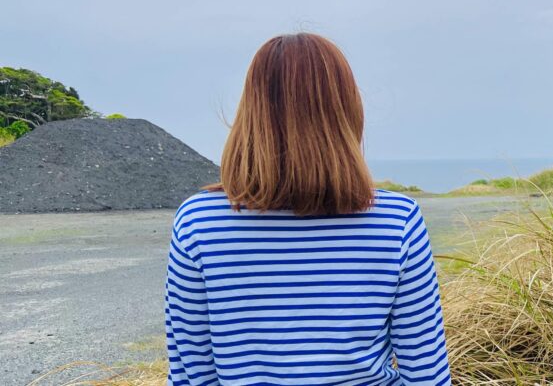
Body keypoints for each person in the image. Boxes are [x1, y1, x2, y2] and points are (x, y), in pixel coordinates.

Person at [163, 33, 451, 385]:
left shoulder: (198, 223)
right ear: (347, 111)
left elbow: (191, 373)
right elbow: (427, 374)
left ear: (252, 113)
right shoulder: (396, 220)